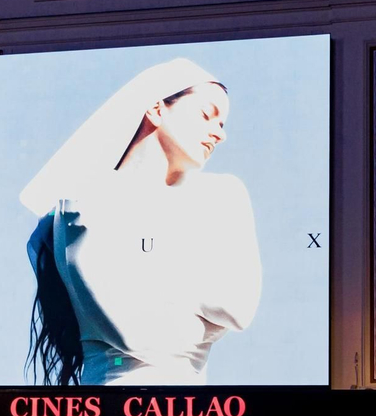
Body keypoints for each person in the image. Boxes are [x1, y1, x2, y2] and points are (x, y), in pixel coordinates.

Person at [21, 58, 261, 385]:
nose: (220, 134)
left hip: (194, 409)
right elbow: (134, 334)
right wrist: (198, 302)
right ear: (156, 110)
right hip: (104, 408)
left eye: (223, 124)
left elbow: (237, 308)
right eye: (207, 115)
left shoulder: (222, 193)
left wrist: (146, 273)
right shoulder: (82, 201)